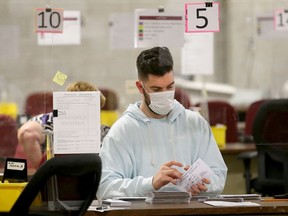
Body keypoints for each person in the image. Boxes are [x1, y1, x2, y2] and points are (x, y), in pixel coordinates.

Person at [97, 47, 227, 200]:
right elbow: (105, 188)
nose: (165, 95)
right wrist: (151, 183)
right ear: (140, 87)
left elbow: (218, 176)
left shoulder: (195, 124)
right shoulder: (123, 131)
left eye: (170, 87)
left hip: (190, 211)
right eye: (156, 89)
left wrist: (204, 185)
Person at [18, 81, 110, 169]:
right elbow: (27, 133)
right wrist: (43, 174)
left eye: (96, 108)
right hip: (58, 180)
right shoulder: (50, 121)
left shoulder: (103, 131)